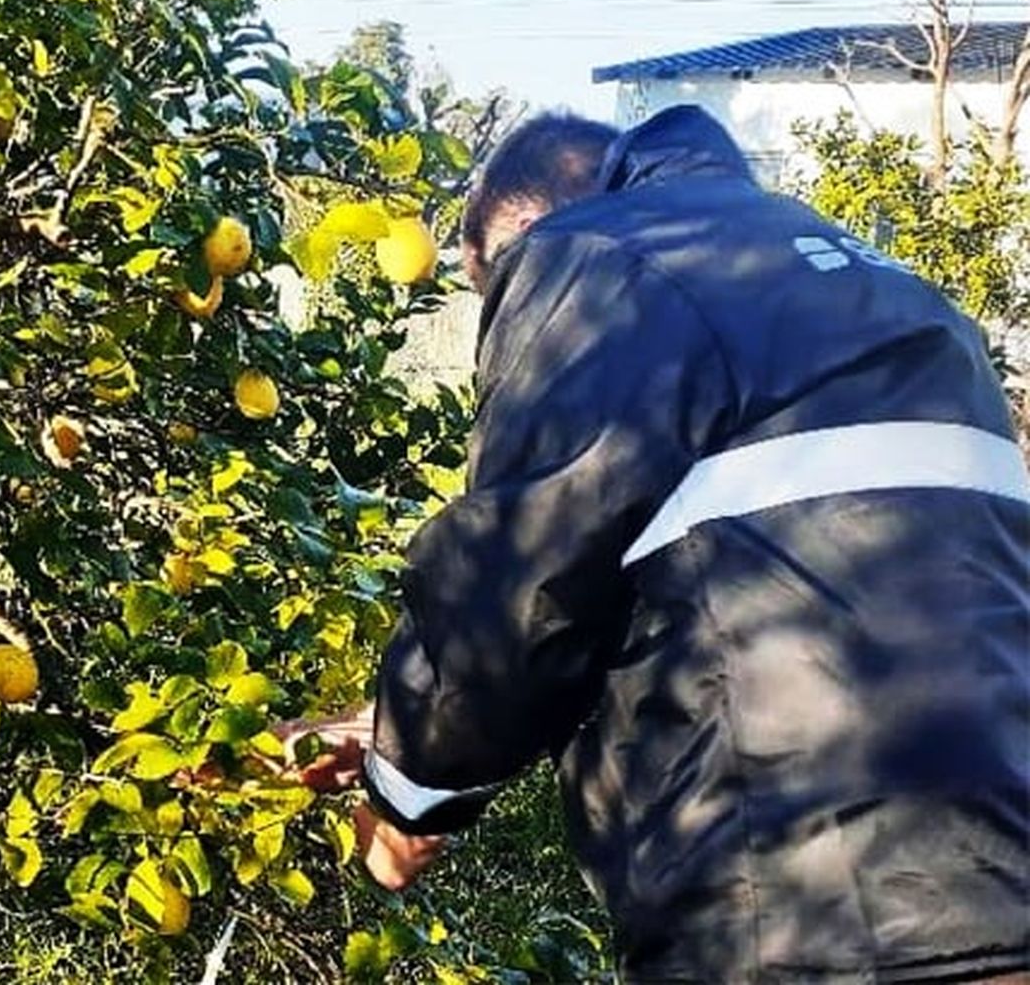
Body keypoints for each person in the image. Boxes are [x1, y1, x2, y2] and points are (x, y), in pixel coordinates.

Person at [286, 106, 1030, 983]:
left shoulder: (594, 261)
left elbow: (519, 581)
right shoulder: (893, 297)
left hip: (799, 905)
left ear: (519, 236)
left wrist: (408, 791)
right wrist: (385, 727)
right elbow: (750, 574)